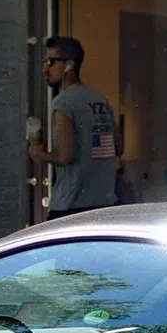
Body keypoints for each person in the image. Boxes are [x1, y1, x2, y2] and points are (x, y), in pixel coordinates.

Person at [28, 36, 120, 219]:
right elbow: (118, 146)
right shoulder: (99, 99)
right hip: (104, 203)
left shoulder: (63, 102)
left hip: (71, 205)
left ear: (69, 65)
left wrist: (38, 155)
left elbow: (65, 155)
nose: (45, 69)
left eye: (50, 62)